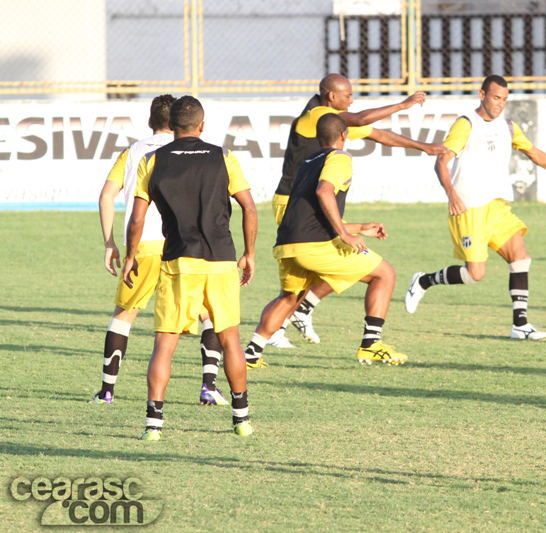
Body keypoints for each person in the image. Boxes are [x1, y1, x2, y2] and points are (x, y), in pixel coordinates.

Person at [252, 73, 446, 358]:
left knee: (329, 262)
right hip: (292, 202)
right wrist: (401, 107)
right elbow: (360, 119)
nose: (351, 100)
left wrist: (424, 147)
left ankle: (294, 316)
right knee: (319, 263)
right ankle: (285, 326)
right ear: (331, 96)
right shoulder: (315, 114)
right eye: (348, 95)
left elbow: (379, 135)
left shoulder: (332, 124)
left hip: (308, 202)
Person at [404, 75, 546, 340]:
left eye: (505, 99)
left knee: (520, 256)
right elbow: (440, 162)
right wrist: (451, 194)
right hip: (468, 208)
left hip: (496, 208)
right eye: (496, 97)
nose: (500, 104)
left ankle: (520, 324)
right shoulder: (466, 124)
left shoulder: (508, 126)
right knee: (475, 274)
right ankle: (423, 280)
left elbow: (535, 153)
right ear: (482, 95)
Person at [122, 96, 258, 440]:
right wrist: (249, 253)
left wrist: (130, 255)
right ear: (201, 125)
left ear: (172, 127)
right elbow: (250, 208)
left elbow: (138, 217)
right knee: (230, 341)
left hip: (179, 260)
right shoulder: (224, 157)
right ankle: (241, 420)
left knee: (164, 345)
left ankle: (154, 425)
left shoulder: (153, 160)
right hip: (222, 259)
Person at [91, 95, 228, 407]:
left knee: (123, 317)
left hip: (142, 247)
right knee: (208, 312)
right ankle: (208, 387)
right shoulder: (195, 153)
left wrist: (110, 242)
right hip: (184, 246)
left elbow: (106, 196)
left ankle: (107, 392)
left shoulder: (133, 151)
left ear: (151, 121)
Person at [245, 113, 406, 368]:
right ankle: (370, 345)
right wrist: (344, 234)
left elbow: (308, 215)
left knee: (288, 297)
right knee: (384, 274)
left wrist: (359, 227)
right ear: (345, 135)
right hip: (315, 246)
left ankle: (251, 355)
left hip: (289, 243)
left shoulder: (308, 161)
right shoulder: (340, 157)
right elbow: (324, 191)